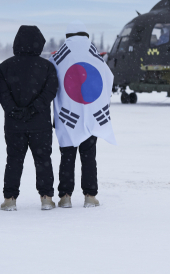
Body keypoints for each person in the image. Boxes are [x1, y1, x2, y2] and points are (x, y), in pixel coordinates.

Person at [51, 22, 116, 209]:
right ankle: (90, 195)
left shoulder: (59, 58)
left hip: (67, 117)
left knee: (67, 156)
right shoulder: (96, 58)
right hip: (91, 117)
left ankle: (65, 196)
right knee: (89, 156)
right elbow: (108, 80)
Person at [0, 26, 59, 211]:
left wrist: (14, 110)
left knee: (14, 160)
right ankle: (47, 198)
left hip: (14, 124)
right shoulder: (47, 66)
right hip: (40, 123)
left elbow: (1, 92)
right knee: (43, 160)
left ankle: (10, 199)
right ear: (39, 43)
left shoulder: (4, 67)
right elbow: (50, 92)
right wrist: (34, 109)